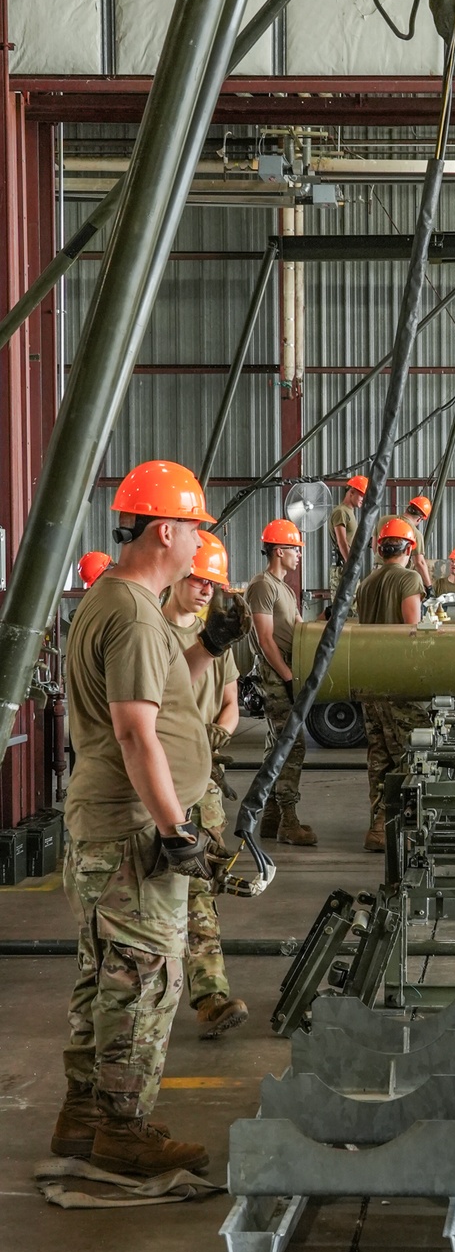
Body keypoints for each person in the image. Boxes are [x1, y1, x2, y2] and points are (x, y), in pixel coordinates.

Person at [51, 460, 247, 1177]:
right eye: (196, 531)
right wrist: (176, 829)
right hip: (134, 827)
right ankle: (125, 1130)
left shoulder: (119, 601)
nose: (200, 546)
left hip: (110, 819)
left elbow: (157, 694)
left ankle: (82, 1114)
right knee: (145, 978)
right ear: (165, 530)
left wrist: (210, 648)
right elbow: (135, 732)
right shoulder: (134, 615)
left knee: (103, 974)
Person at [161, 531, 248, 1040]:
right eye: (196, 579)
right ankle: (208, 994)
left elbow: (230, 702)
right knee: (187, 887)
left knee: (202, 885)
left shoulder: (218, 635)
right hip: (167, 779)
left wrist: (220, 731)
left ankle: (199, 989)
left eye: (212, 584)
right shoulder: (157, 635)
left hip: (206, 782)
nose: (203, 591)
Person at [355, 517, 427, 852]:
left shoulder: (366, 583)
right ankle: (404, 828)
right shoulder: (409, 579)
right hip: (399, 684)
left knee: (378, 756)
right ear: (409, 548)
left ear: (380, 548)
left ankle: (378, 828)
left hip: (371, 681)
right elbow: (413, 631)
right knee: (408, 757)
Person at [245, 518, 316, 847]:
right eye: (295, 549)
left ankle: (270, 817)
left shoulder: (285, 589)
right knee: (293, 744)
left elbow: (299, 629)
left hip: (287, 671)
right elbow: (264, 639)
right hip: (274, 674)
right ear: (278, 551)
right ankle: (289, 819)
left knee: (277, 747)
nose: (299, 555)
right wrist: (287, 677)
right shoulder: (262, 586)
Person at [372, 494, 433, 589]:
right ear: (420, 519)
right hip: (397, 575)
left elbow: (374, 546)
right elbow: (419, 563)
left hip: (377, 571)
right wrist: (429, 586)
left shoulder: (383, 520)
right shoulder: (415, 533)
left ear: (407, 509)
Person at [329, 473, 368, 599]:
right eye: (361, 494)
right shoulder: (341, 512)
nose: (363, 498)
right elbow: (342, 541)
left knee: (353, 606)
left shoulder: (349, 512)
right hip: (343, 567)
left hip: (347, 565)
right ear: (352, 492)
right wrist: (350, 565)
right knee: (346, 608)